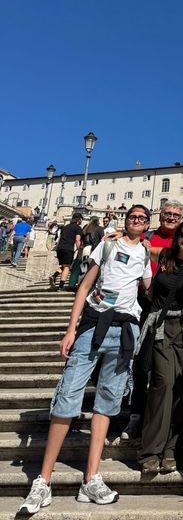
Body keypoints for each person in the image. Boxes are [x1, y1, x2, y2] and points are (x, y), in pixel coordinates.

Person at [18, 206, 153, 515]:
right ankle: (43, 480)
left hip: (125, 329)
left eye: (142, 218)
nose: (137, 220)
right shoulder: (107, 245)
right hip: (94, 324)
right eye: (133, 216)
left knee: (107, 401)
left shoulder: (145, 252)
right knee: (67, 396)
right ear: (125, 221)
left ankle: (91, 478)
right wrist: (71, 330)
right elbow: (84, 287)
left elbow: (150, 289)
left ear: (147, 224)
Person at [138, 219, 183, 473]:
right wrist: (119, 235)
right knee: (162, 384)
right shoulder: (164, 255)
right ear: (177, 237)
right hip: (162, 328)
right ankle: (151, 450)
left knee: (181, 387)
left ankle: (171, 448)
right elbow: (141, 246)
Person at [121, 201, 183, 441]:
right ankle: (136, 414)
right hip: (144, 303)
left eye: (176, 214)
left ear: (181, 218)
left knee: (169, 368)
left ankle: (166, 419)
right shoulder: (146, 237)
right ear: (159, 216)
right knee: (142, 362)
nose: (171, 217)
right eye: (167, 213)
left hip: (173, 308)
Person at [53, 213, 83, 289]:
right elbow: (77, 240)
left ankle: (54, 275)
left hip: (60, 248)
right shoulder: (78, 228)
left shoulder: (65, 227)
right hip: (68, 248)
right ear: (79, 220)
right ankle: (60, 287)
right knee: (67, 267)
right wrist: (80, 250)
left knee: (64, 266)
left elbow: (60, 238)